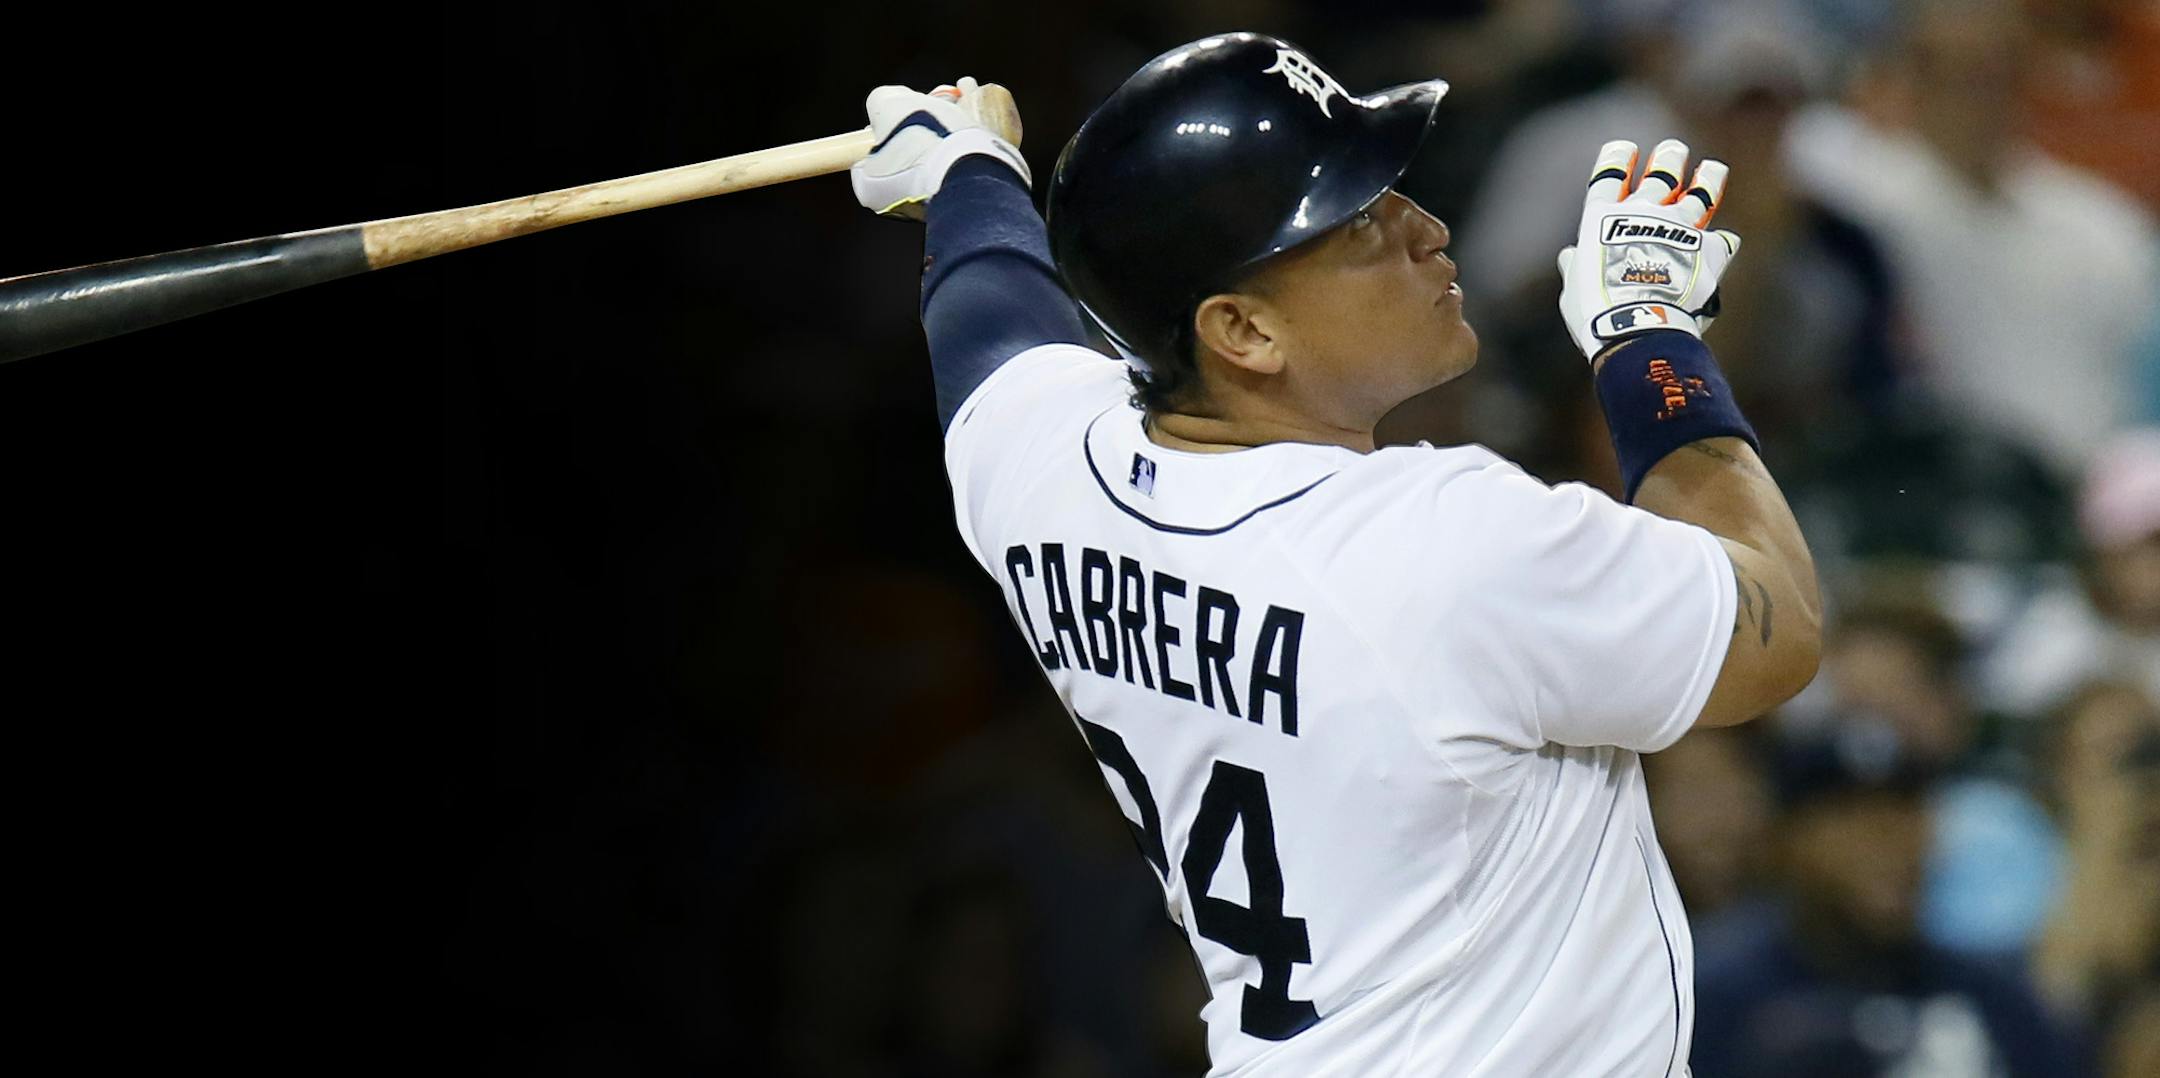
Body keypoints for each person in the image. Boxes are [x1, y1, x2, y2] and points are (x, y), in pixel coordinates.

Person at [850, 33, 1822, 1075]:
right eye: (1357, 222)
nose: (1424, 226)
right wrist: (1649, 339)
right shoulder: (1440, 540)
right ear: (1243, 332)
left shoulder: (1049, 481)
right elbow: (1777, 625)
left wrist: (965, 178)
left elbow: (991, 316)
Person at [1690, 736, 2093, 1076]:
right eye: (1854, 818)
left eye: (1904, 812)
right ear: (1788, 840)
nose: (1887, 843)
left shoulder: (1994, 997)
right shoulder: (1710, 998)